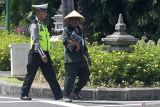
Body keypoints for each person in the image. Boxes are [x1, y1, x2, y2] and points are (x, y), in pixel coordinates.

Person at [20, 3, 63, 100]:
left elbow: (52, 31)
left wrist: (62, 31)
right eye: (44, 12)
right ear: (39, 13)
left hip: (44, 53)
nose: (46, 14)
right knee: (30, 75)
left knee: (51, 75)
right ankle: (23, 94)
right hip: (36, 53)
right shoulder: (34, 25)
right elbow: (36, 41)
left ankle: (59, 95)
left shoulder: (44, 25)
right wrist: (42, 54)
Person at [62, 10, 92, 102]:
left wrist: (88, 56)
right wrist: (75, 43)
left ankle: (75, 92)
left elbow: (84, 45)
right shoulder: (66, 30)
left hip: (81, 59)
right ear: (69, 21)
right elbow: (65, 41)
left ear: (78, 21)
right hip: (71, 59)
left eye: (76, 20)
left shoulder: (80, 30)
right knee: (70, 78)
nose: (74, 21)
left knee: (85, 76)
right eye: (72, 20)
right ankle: (66, 96)